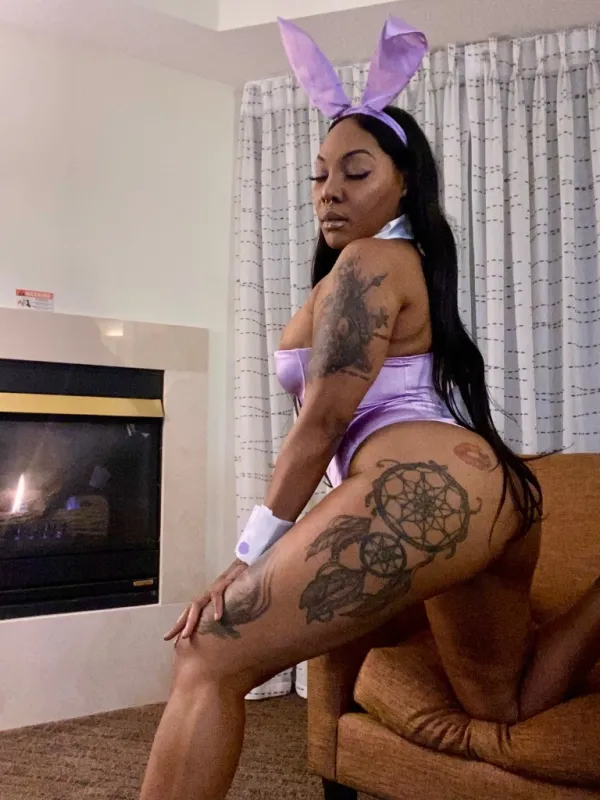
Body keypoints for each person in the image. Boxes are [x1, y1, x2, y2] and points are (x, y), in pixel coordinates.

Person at [140, 19, 600, 800]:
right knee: (502, 703)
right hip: (489, 493)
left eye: (356, 172)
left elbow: (322, 422)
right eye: (319, 175)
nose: (329, 190)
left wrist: (250, 557)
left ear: (404, 183)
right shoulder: (380, 268)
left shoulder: (372, 260)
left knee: (208, 651)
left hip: (428, 486)